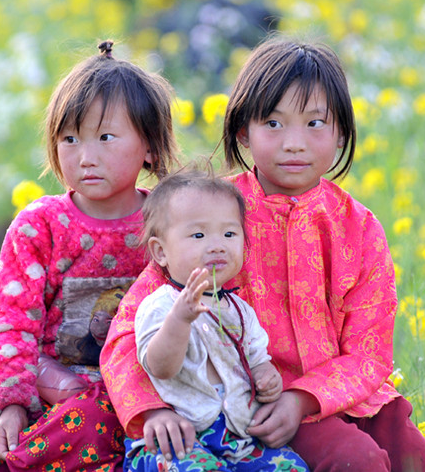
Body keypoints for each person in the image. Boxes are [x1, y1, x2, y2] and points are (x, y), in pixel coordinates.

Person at [101, 37, 425, 472]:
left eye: (315, 124)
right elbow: (130, 328)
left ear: (341, 132)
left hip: (348, 395)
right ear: (243, 130)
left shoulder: (359, 228)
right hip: (257, 404)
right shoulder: (212, 216)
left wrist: (304, 399)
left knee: (416, 458)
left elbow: (369, 353)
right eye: (274, 123)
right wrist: (150, 408)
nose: (294, 144)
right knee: (355, 460)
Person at [0, 40, 177, 472]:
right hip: (43, 390)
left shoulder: (168, 221)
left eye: (105, 137)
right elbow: (7, 324)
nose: (86, 157)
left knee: (93, 427)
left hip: (132, 396)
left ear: (151, 147)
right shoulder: (40, 225)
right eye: (70, 138)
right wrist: (12, 401)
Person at [125, 168, 309, 472]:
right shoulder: (160, 306)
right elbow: (160, 366)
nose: (217, 245)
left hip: (237, 434)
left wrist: (267, 377)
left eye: (229, 234)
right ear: (160, 252)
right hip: (181, 437)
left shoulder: (239, 309)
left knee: (291, 467)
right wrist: (180, 321)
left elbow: (257, 357)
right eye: (198, 235)